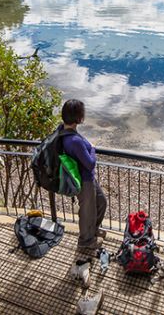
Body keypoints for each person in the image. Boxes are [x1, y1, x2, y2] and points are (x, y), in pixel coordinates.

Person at [59, 99, 108, 253]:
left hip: (85, 178)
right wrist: (92, 149)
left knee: (101, 202)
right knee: (88, 211)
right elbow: (90, 163)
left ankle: (92, 229)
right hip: (84, 180)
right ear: (78, 117)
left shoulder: (62, 130)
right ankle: (86, 241)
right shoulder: (74, 140)